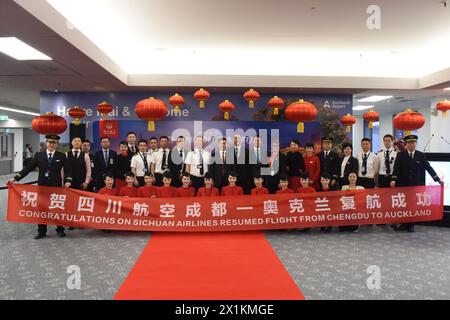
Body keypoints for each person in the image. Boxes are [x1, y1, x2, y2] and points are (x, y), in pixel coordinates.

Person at [7, 135, 72, 239]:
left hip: (56, 186)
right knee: (41, 209)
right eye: (50, 142)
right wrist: (15, 178)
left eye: (54, 142)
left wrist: (68, 181)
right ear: (46, 143)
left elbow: (68, 170)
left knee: (57, 208)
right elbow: (28, 168)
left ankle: (60, 229)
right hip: (42, 186)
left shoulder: (61, 156)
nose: (52, 144)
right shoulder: (39, 155)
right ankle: (41, 231)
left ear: (57, 144)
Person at [390, 135, 444, 232]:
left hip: (415, 185)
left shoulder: (421, 155)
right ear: (406, 144)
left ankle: (411, 225)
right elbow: (396, 168)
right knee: (404, 205)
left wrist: (437, 179)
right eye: (410, 143)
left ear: (416, 144)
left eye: (414, 143)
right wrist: (393, 179)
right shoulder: (401, 155)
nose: (412, 144)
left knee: (413, 206)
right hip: (403, 184)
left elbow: (428, 168)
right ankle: (403, 224)